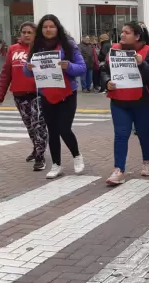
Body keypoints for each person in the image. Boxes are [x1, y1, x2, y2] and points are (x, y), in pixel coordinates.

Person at [23, 14, 87, 179]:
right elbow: (27, 71)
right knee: (52, 130)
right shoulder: (37, 46)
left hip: (67, 93)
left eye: (51, 26)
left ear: (57, 28)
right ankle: (56, 164)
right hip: (47, 93)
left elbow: (82, 68)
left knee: (64, 128)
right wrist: (28, 68)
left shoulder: (68, 44)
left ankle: (77, 156)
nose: (48, 30)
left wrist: (68, 66)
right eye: (45, 27)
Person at [101, 22, 149, 185]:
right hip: (119, 101)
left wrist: (142, 64)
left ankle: (147, 162)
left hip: (143, 102)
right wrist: (107, 82)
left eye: (127, 32)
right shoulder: (114, 50)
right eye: (122, 32)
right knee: (121, 135)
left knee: (143, 133)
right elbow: (105, 70)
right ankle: (119, 169)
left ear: (137, 36)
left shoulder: (148, 52)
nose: (122, 35)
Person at [0, 22, 48, 171]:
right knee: (30, 126)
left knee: (38, 125)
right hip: (19, 95)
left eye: (30, 32)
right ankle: (36, 148)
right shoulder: (13, 49)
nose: (26, 35)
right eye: (24, 32)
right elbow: (6, 74)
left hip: (37, 94)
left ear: (35, 34)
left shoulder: (41, 49)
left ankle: (40, 156)